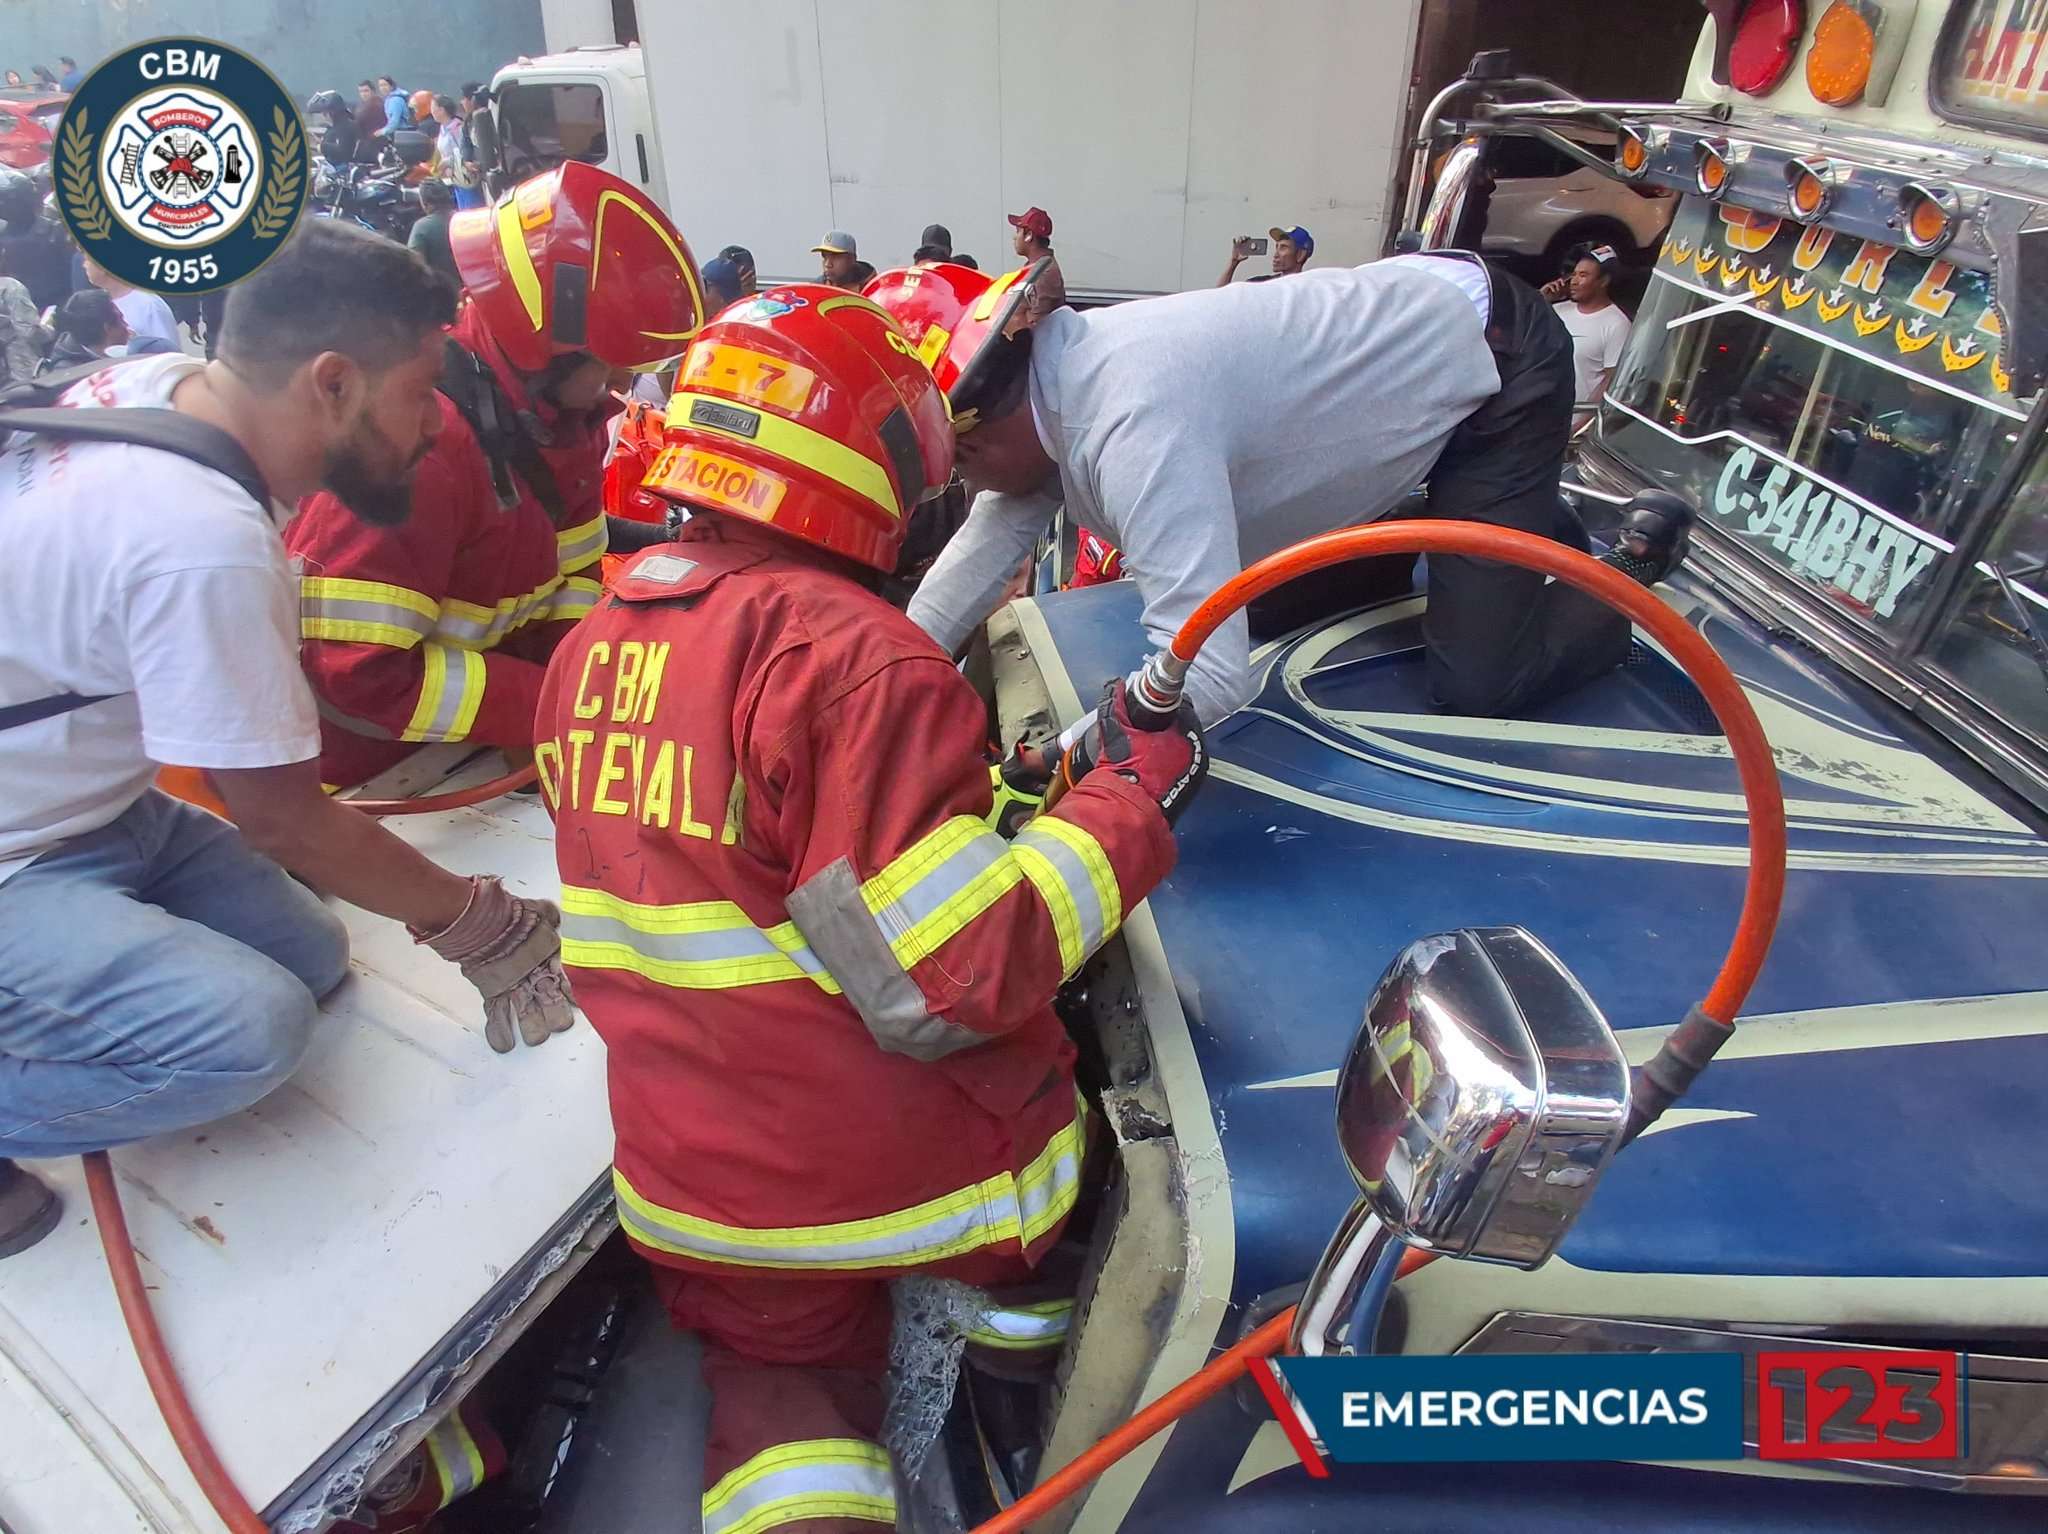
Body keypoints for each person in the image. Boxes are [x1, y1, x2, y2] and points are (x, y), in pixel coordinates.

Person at [537, 285, 1203, 1532]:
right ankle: (1020, 1361)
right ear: (868, 459)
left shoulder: (599, 642)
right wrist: (1124, 806)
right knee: (1091, 1122)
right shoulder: (850, 653)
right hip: (896, 1184)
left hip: (693, 1190)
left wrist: (983, 815)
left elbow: (781, 882)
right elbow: (951, 976)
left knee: (781, 1386)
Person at [0, 220, 573, 1256]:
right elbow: (285, 822)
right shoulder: (200, 537)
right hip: (17, 858)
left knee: (312, 955)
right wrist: (475, 921)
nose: (433, 429)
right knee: (249, 1034)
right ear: (335, 382)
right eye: (417, 395)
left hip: (92, 805)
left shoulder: (167, 386)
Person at [872, 251, 1694, 724]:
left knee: (1479, 681)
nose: (963, 480)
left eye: (963, 457)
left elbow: (1213, 677)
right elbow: (990, 538)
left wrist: (1063, 754)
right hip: (1407, 341)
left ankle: (1620, 573)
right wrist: (880, 678)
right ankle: (1462, 512)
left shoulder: (1134, 424)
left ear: (995, 411)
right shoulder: (1051, 385)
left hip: (1496, 358)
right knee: (1258, 602)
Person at [285, 163, 701, 791]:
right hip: (371, 781)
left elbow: (575, 582)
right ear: (547, 343)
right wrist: (551, 704)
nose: (619, 388)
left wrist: (575, 692)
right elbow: (353, 673)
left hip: (476, 748)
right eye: (609, 367)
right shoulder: (422, 449)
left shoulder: (558, 421)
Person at [1541, 244, 1631, 425]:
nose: (1573, 281)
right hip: (1540, 417)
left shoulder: (1617, 324)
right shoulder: (1557, 310)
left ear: (1603, 281)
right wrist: (1541, 300)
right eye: (1573, 274)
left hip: (1572, 422)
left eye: (1583, 276)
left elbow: (1611, 381)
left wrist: (1580, 425)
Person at [37, 286, 125, 372]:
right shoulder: (72, 377)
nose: (126, 325)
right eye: (121, 320)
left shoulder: (78, 338)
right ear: (107, 328)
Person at [406, 177, 460, 289]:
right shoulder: (464, 218)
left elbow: (414, 266)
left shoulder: (421, 227)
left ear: (425, 203)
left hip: (445, 292)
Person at [1218, 223, 1312, 286]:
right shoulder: (1261, 284)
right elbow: (1220, 298)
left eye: (1283, 247)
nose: (1275, 255)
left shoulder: (1308, 288)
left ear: (1300, 254)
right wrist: (1233, 262)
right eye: (1277, 247)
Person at [460, 83, 499, 196]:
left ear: (473, 99)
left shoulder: (492, 117)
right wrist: (467, 162)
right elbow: (466, 145)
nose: (462, 102)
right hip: (483, 177)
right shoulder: (468, 122)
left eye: (464, 99)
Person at [308, 89, 359, 165]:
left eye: (325, 113)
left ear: (333, 112)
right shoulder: (334, 127)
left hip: (343, 170)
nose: (323, 116)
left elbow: (344, 152)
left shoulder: (346, 126)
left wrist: (323, 146)